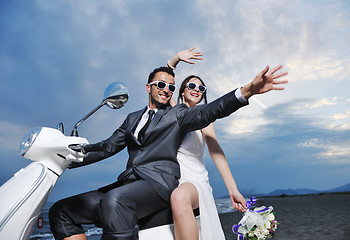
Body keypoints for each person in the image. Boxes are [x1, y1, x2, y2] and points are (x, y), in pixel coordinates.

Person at [49, 49, 288, 240]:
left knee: (117, 201)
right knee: (60, 211)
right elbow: (107, 147)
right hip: (131, 182)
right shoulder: (132, 118)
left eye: (170, 87)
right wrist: (65, 157)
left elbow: (212, 112)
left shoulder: (180, 114)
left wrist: (248, 91)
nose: (166, 89)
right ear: (148, 87)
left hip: (162, 182)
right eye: (161, 85)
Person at [167, 49, 246, 240]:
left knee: (180, 197)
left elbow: (216, 152)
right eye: (192, 85)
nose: (197, 89)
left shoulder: (205, 119)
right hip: (171, 179)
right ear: (182, 90)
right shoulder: (172, 111)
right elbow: (165, 81)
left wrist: (233, 189)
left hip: (194, 180)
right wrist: (175, 60)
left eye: (201, 89)